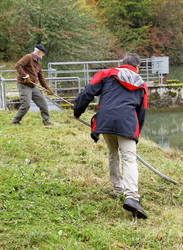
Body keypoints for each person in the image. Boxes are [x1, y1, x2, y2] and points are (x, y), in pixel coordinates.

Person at [73, 53, 148, 219]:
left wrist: (77, 111)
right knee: (129, 159)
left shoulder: (106, 73)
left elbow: (88, 92)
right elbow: (142, 113)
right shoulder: (141, 84)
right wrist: (136, 133)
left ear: (122, 64)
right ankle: (132, 197)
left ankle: (117, 190)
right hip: (127, 122)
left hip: (105, 120)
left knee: (113, 154)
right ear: (137, 67)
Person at [12, 44, 54, 126]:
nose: (43, 54)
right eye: (43, 53)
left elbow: (41, 77)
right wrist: (25, 76)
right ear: (38, 51)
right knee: (26, 104)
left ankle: (46, 121)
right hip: (23, 84)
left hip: (33, 85)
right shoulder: (28, 57)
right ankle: (15, 121)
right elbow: (18, 65)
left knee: (43, 103)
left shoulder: (38, 63)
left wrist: (47, 88)